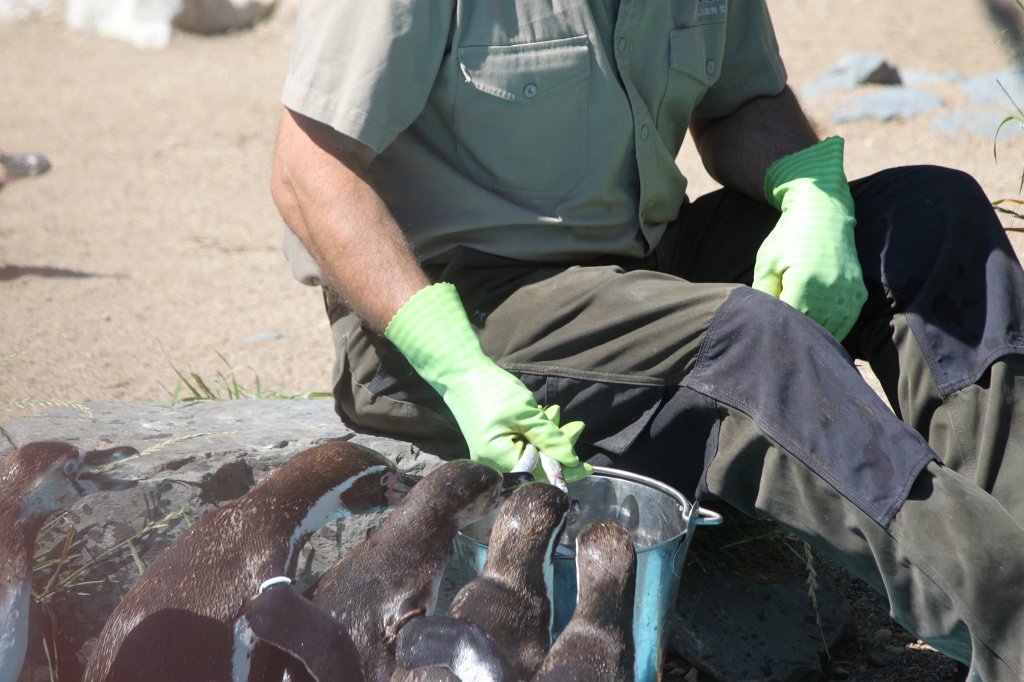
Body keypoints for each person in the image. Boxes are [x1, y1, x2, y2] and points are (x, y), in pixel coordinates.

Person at [271, 2, 1024, 679]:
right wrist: (458, 366)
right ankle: (1012, 624)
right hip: (452, 310)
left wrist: (812, 192)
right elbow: (309, 173)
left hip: (640, 264)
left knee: (934, 214)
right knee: (750, 341)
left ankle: (1014, 535)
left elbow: (744, 101)